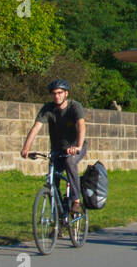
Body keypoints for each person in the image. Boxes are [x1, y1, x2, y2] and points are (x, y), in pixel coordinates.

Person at [21, 79, 88, 217]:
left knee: (70, 162)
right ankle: (58, 221)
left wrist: (78, 146)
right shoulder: (48, 109)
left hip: (75, 148)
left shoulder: (75, 107)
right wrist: (26, 148)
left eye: (59, 93)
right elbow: (36, 128)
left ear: (66, 93)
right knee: (52, 182)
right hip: (57, 149)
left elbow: (81, 126)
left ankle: (76, 200)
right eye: (54, 93)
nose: (56, 96)